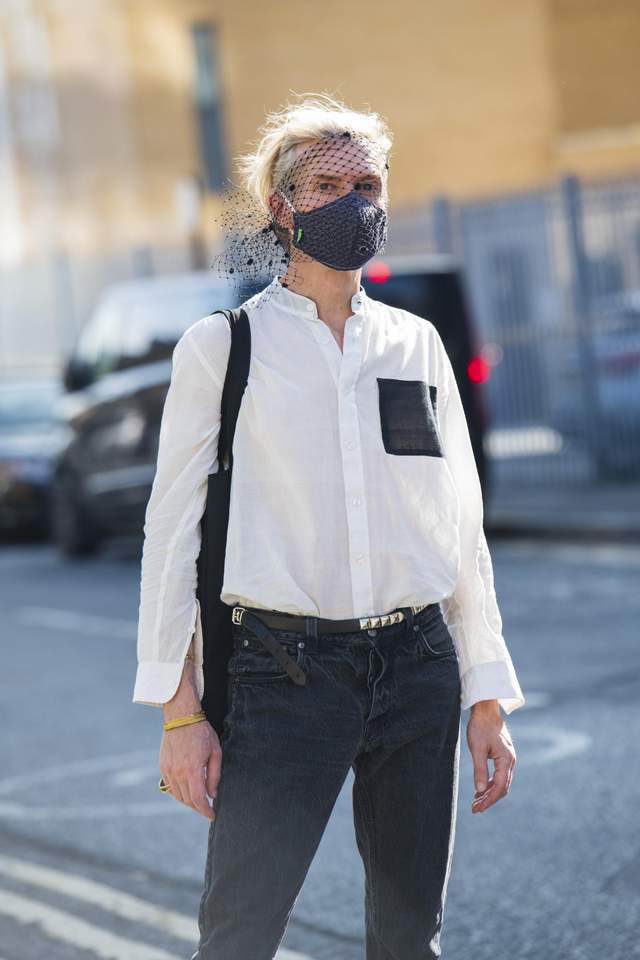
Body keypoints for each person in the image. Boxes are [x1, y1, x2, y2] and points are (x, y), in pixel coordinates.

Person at [132, 92, 525, 960]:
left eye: (369, 185)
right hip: (284, 677)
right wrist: (179, 713)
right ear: (282, 208)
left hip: (418, 667)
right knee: (239, 936)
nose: (355, 203)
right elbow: (172, 535)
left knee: (409, 939)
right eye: (328, 186)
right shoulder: (222, 348)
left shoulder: (417, 344)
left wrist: (486, 692)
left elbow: (459, 527)